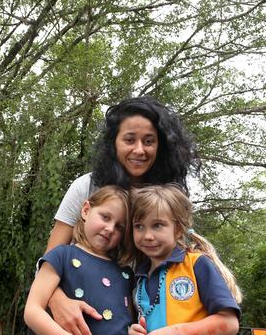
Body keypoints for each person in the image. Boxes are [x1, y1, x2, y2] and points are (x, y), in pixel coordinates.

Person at [45, 96, 200, 334]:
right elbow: (50, 257)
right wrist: (56, 301)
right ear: (114, 143)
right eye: (129, 139)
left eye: (149, 141)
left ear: (161, 146)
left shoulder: (168, 201)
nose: (139, 150)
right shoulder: (86, 187)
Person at [125, 184, 242, 335]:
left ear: (178, 229)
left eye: (157, 225)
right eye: (139, 226)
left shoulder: (196, 264)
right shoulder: (139, 277)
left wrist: (177, 331)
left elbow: (229, 323)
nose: (147, 235)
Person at [25, 186, 135, 334]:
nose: (110, 228)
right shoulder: (61, 256)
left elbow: (124, 322)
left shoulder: (125, 273)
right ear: (86, 210)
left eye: (119, 227)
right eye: (105, 217)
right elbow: (33, 310)